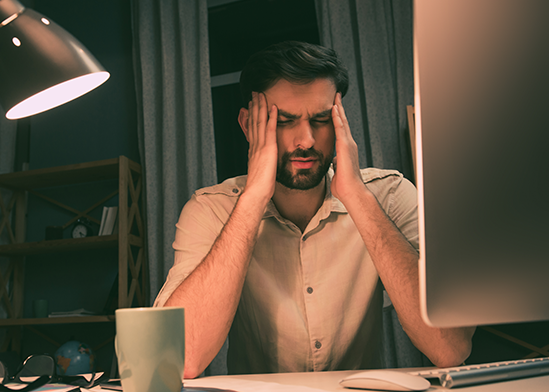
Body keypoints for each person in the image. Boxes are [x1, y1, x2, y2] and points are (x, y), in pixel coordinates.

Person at [153, 41, 475, 378]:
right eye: (285, 121)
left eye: (321, 119)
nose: (306, 140)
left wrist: (358, 199)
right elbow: (181, 356)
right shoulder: (210, 209)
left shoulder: (390, 194)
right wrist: (252, 200)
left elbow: (450, 347)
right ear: (249, 126)